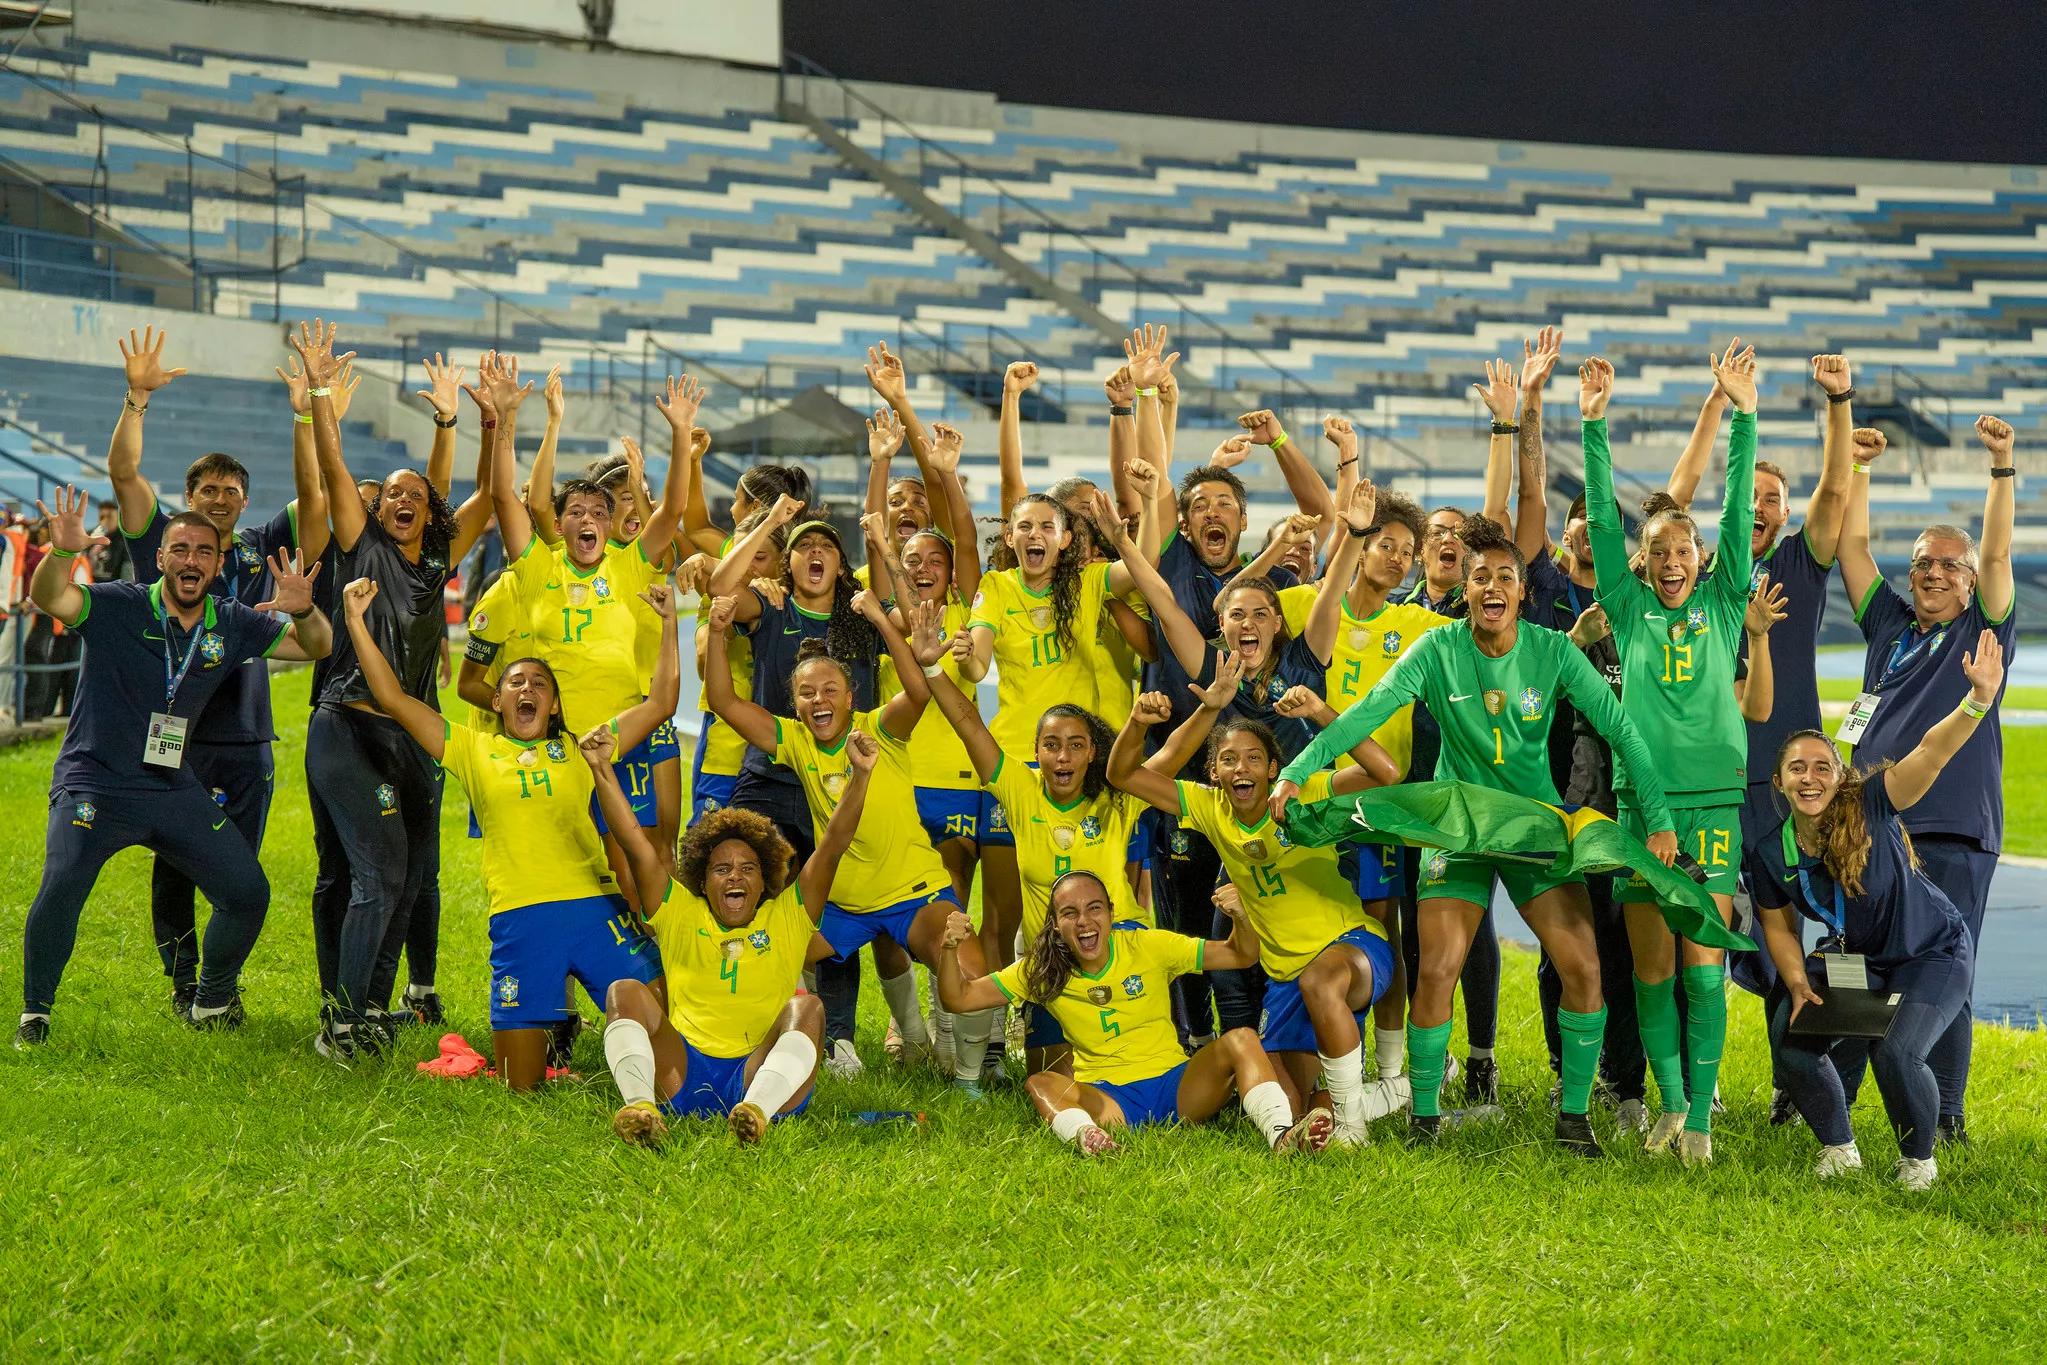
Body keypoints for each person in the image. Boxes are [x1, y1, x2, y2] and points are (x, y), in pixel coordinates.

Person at [1272, 514, 1678, 1155]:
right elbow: (1365, 718)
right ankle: (1425, 1120)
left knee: (1585, 968)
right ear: (1463, 589)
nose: (1492, 587)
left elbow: (1622, 730)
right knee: (1436, 969)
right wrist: (1296, 771)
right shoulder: (1435, 652)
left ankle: (1574, 1120)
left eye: (1505, 578)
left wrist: (1658, 821)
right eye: (1479, 576)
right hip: (1455, 826)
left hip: (1531, 825)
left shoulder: (1552, 651)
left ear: (1522, 592)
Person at [15, 486, 330, 1047]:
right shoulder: (118, 604)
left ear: (216, 563)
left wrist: (304, 608)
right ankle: (35, 1014)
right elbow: (52, 600)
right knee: (62, 885)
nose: (192, 560)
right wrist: (61, 555)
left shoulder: (232, 621)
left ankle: (210, 1000)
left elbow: (316, 646)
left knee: (247, 893)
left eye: (204, 552)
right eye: (180, 549)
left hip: (168, 785)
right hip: (95, 779)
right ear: (160, 558)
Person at [337, 575, 678, 1077]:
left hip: (593, 908)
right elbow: (392, 698)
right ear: (496, 701)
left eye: (540, 684)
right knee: (522, 1082)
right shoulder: (474, 750)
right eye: (515, 682)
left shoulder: (584, 748)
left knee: (662, 1016)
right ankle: (553, 1049)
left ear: (555, 705)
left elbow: (660, 703)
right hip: (521, 919)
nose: (527, 689)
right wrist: (353, 621)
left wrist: (669, 621)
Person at [104, 325, 335, 1010]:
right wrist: (135, 400)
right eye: (209, 486)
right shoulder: (166, 547)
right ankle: (185, 985)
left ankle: (218, 984)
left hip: (246, 737)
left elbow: (318, 501)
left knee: (237, 868)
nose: (223, 494)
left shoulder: (264, 547)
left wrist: (304, 414)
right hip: (172, 734)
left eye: (234, 487)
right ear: (190, 494)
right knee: (172, 867)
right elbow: (123, 473)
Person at [704, 588, 1004, 1095]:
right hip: (845, 904)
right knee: (767, 949)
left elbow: (919, 691)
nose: (818, 700)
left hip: (914, 893)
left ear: (850, 697)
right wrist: (715, 633)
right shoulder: (794, 741)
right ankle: (745, 1046)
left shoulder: (879, 728)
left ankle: (969, 1083)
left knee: (970, 972)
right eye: (807, 693)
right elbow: (724, 700)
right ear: (794, 703)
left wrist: (881, 621)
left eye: (829, 690)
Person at [1578, 343, 1758, 1165]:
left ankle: (1701, 1126)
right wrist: (1592, 423)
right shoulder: (1623, 603)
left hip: (1711, 802)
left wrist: (1743, 414)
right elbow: (1602, 521)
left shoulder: (1726, 602)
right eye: (1659, 550)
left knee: (1700, 965)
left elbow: (1734, 508)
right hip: (1638, 804)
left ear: (1700, 558)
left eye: (1684, 549)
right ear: (1643, 563)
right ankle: (1673, 1104)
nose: (1672, 559)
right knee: (1649, 966)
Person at [294, 324, 494, 1052]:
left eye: (416, 495)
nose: (402, 499)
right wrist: (319, 392)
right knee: (374, 872)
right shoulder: (362, 542)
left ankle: (373, 1009)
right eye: (392, 496)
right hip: (347, 727)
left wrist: (471, 421)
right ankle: (339, 1021)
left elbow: (488, 491)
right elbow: (332, 462)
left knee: (407, 880)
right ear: (374, 512)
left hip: (410, 734)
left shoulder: (436, 555)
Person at [1108, 664, 1407, 1144]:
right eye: (1228, 759)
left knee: (1321, 981)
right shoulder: (1209, 807)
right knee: (1293, 1111)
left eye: (1252, 759)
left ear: (1272, 768)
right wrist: (1195, 710)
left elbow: (1386, 772)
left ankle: (1355, 1131)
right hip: (1285, 979)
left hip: (1352, 948)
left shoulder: (1301, 790)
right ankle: (1396, 1092)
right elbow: (1122, 774)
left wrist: (1320, 712)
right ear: (1214, 772)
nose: (1240, 768)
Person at [1749, 635, 2002, 1188]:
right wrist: (1795, 983)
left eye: (1822, 766)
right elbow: (1777, 925)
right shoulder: (1770, 850)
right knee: (1791, 1040)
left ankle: (1919, 1161)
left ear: (1841, 777)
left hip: (1932, 953)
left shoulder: (1870, 803)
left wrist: (1978, 700)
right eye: (1797, 768)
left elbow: (1931, 752)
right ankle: (1840, 1149)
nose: (1810, 777)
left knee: (1898, 1053)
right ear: (1779, 782)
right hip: (1863, 961)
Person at [1836, 415, 2016, 1146]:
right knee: (1856, 962)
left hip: (1949, 827)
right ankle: (1828, 1097)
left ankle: (1944, 1116)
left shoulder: (1983, 626)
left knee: (1941, 969)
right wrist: (1858, 468)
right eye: (1921, 564)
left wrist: (2000, 465)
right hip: (1873, 826)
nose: (1933, 573)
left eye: (1948, 565)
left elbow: (1999, 547)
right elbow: (1850, 545)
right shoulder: (1889, 623)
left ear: (1970, 580)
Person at [487, 365, 702, 910]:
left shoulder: (629, 568)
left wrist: (680, 434)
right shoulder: (537, 568)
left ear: (609, 526)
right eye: (576, 511)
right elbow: (507, 498)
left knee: (648, 866)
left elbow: (674, 509)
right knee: (588, 871)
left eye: (599, 512)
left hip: (628, 734)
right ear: (559, 526)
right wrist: (509, 418)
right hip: (562, 744)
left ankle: (661, 972)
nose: (588, 518)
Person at [598, 727, 876, 1147]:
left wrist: (861, 775)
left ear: (765, 879)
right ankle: (640, 1108)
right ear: (702, 880)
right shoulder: (679, 912)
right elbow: (635, 843)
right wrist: (601, 766)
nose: (735, 876)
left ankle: (756, 1113)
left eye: (748, 867)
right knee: (624, 991)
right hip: (681, 1074)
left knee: (809, 1008)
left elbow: (833, 844)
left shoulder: (788, 914)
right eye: (721, 868)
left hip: (760, 1074)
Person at [936, 872, 1334, 1154]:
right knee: (1041, 1082)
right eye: (1070, 913)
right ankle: (1088, 1137)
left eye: (1094, 909)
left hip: (1178, 1088)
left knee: (1242, 1039)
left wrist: (1241, 918)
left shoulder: (1148, 946)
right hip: (1111, 1101)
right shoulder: (1042, 970)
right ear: (1056, 926)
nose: (1085, 921)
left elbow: (1240, 953)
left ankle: (1282, 1135)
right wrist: (950, 949)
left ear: (1111, 914)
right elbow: (960, 999)